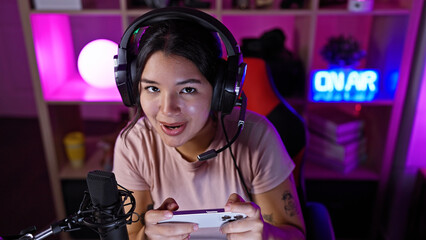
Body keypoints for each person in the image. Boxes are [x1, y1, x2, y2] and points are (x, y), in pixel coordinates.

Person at [113, 7, 306, 240]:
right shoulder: (133, 143)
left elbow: (295, 234)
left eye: (187, 90)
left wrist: (267, 235)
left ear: (219, 91)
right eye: (152, 88)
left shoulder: (257, 137)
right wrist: (146, 237)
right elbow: (131, 235)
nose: (167, 109)